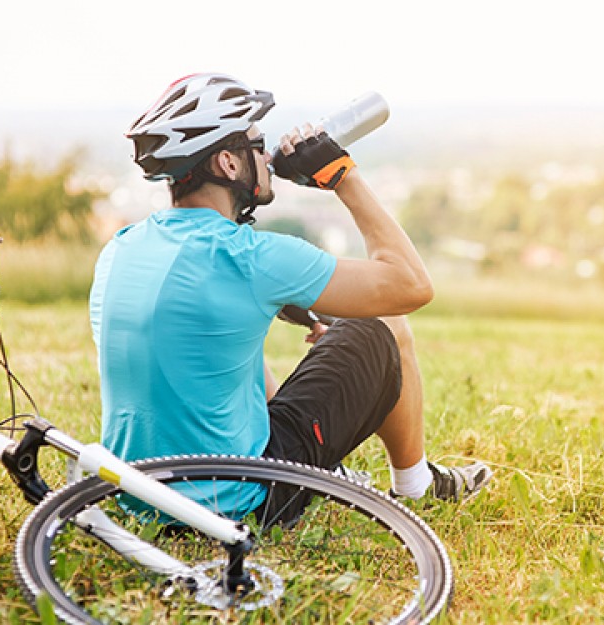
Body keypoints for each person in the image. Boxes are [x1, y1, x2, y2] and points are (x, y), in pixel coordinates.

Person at [89, 73, 491, 522]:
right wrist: (342, 176)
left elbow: (198, 316)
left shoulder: (122, 248)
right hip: (237, 502)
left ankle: (331, 468)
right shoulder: (250, 256)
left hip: (139, 495)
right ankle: (416, 487)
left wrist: (292, 305)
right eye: (257, 146)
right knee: (384, 327)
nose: (267, 155)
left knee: (225, 350)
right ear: (228, 163)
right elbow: (411, 285)